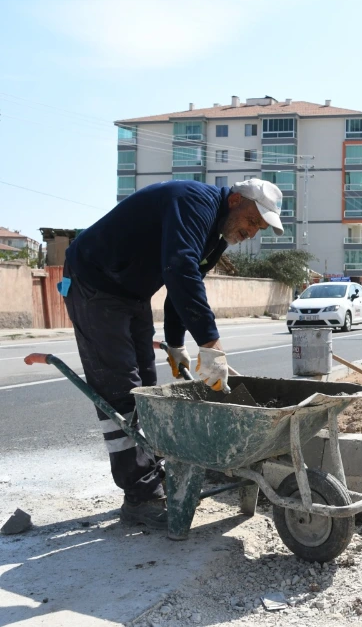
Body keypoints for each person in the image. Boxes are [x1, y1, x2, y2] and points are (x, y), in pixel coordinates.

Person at [62, 178, 284, 529]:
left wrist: (176, 344)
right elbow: (179, 269)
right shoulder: (194, 202)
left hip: (130, 293)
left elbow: (185, 282)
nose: (252, 233)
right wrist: (210, 344)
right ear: (236, 201)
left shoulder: (217, 235)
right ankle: (140, 494)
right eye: (253, 221)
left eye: (258, 228)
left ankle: (151, 476)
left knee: (147, 392)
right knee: (120, 390)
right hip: (93, 281)